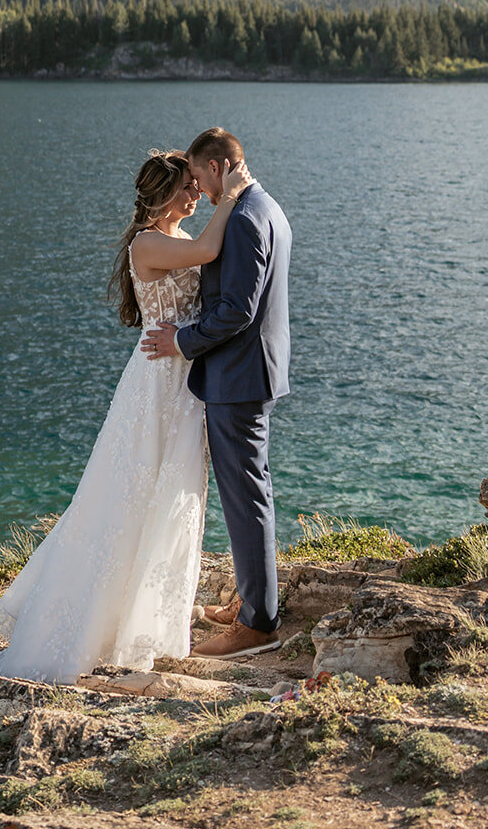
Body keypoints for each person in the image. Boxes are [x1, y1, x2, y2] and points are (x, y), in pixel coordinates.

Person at [0, 148, 250, 684]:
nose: (196, 194)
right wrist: (234, 195)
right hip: (157, 383)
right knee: (128, 493)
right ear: (161, 194)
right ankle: (83, 621)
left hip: (183, 377)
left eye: (197, 187)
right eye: (186, 188)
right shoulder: (149, 242)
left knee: (173, 495)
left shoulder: (171, 240)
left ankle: (144, 620)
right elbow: (209, 248)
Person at [143, 127, 291, 660]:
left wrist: (183, 342)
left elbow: (237, 311)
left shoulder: (248, 217)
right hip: (247, 374)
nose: (199, 191)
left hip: (239, 378)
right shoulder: (264, 206)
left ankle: (257, 624)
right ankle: (254, 602)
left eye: (200, 177)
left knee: (246, 497)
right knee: (247, 493)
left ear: (218, 167)